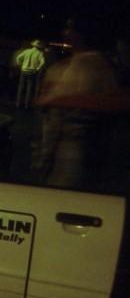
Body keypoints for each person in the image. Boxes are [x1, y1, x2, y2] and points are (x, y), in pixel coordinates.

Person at [31, 17, 129, 190]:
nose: (65, 33)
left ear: (81, 34)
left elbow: (111, 101)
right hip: (75, 146)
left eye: (70, 29)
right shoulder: (86, 63)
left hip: (73, 147)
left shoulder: (89, 63)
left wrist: (54, 100)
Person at [15, 40, 46, 108]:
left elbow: (18, 58)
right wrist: (37, 69)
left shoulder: (27, 51)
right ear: (39, 47)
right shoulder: (40, 53)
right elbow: (42, 62)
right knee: (29, 88)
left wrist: (20, 64)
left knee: (21, 87)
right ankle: (26, 105)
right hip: (31, 72)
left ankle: (18, 103)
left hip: (23, 70)